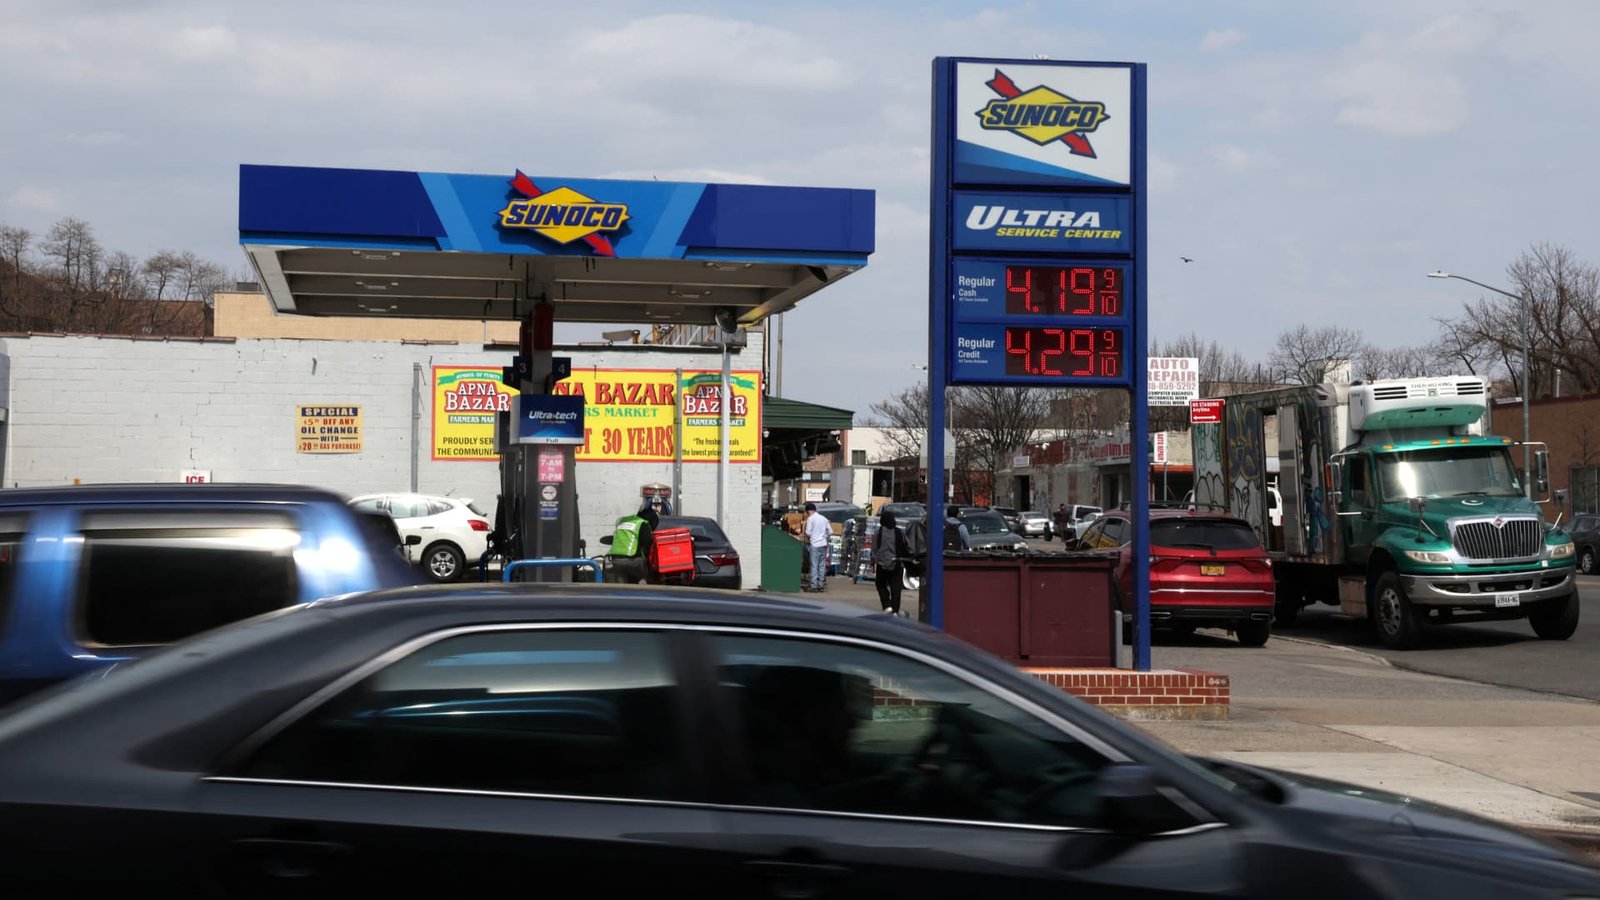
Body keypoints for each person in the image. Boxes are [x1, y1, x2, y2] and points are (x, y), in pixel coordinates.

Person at [608, 505, 658, 584]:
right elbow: (646, 543)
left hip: (615, 560)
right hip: (633, 560)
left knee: (620, 585)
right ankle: (643, 585)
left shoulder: (622, 521)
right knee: (645, 577)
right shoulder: (642, 524)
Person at [873, 509, 908, 616]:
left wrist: (874, 559)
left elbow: (874, 548)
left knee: (880, 584)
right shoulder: (899, 532)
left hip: (882, 564)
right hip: (896, 563)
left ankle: (887, 605)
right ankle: (895, 610)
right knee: (896, 588)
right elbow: (904, 546)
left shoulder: (878, 532)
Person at [802, 501, 831, 592]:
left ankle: (813, 585)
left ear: (808, 511)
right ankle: (821, 585)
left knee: (814, 565)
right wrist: (824, 536)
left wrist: (813, 536)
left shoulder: (810, 519)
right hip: (823, 544)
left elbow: (807, 532)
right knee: (822, 565)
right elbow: (830, 531)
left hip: (814, 544)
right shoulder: (824, 518)